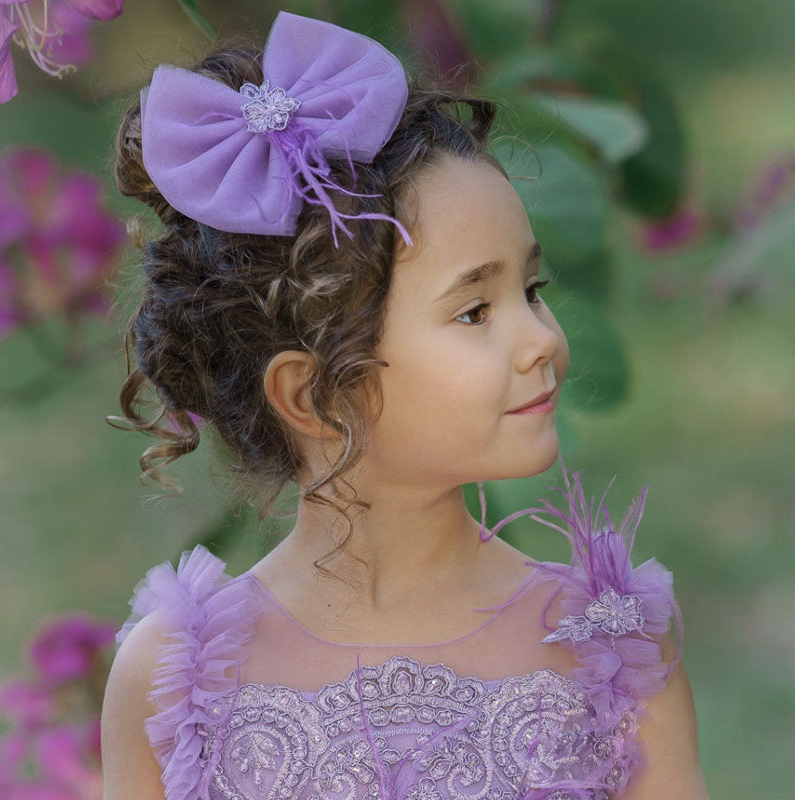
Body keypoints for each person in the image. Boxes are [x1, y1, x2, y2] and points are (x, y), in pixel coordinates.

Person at [100, 10, 709, 800]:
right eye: (475, 312)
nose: (545, 340)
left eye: (532, 290)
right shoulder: (172, 684)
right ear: (310, 394)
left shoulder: (615, 654)